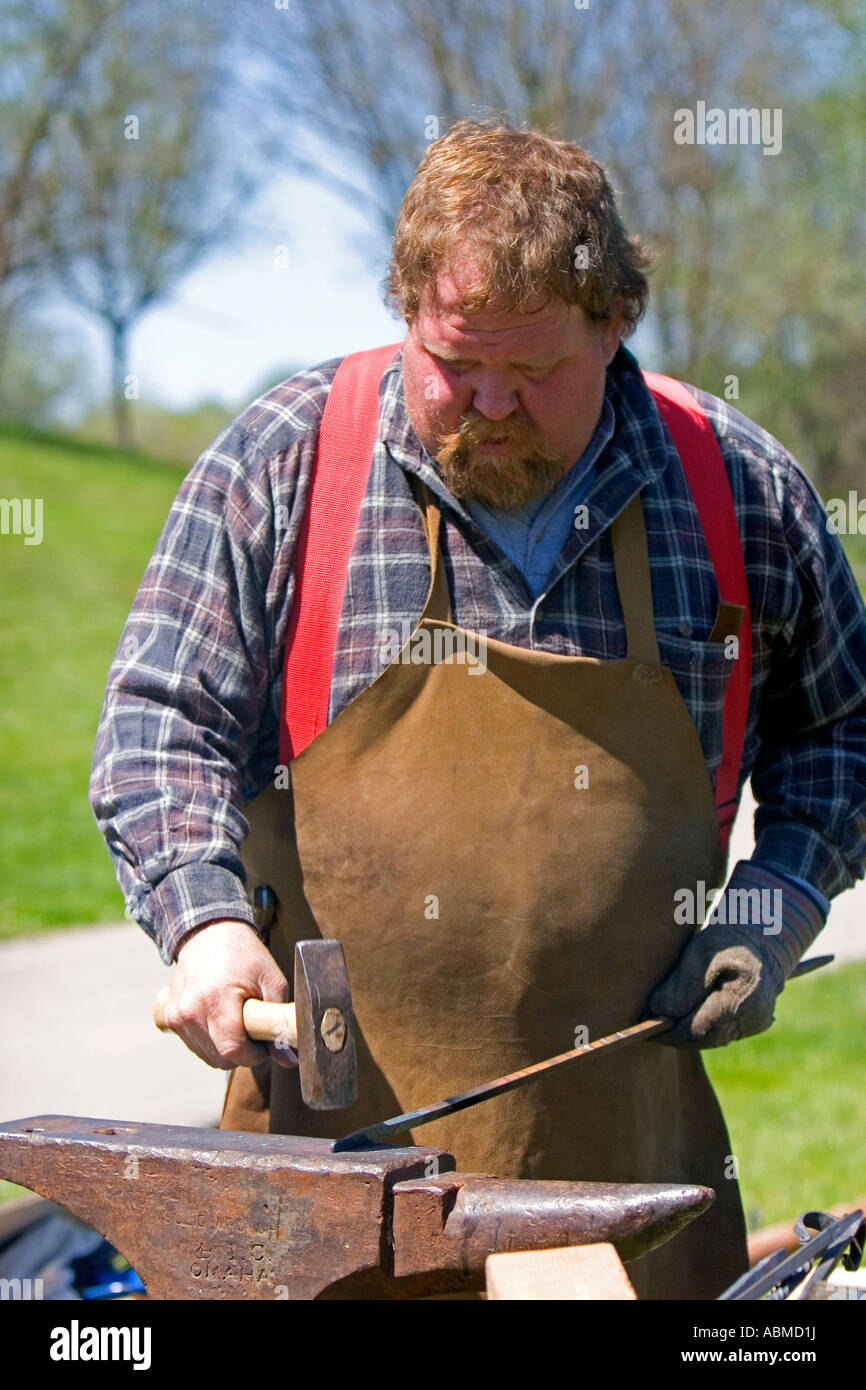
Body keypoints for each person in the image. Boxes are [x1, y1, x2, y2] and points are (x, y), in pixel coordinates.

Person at [89, 119, 866, 1299]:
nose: (489, 403)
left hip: (628, 1192)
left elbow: (843, 731)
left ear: (614, 325)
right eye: (454, 360)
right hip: (314, 1197)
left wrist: (774, 901)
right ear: (405, 307)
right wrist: (202, 924)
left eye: (536, 369)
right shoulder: (286, 463)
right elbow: (158, 723)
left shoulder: (736, 489)